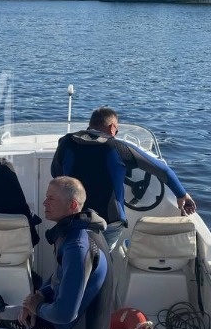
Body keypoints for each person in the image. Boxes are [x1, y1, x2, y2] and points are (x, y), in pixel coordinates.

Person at [51, 107, 197, 251]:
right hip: (109, 222)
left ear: (90, 125)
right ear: (112, 127)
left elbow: (56, 174)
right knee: (100, 261)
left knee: (72, 256)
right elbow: (163, 170)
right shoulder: (119, 148)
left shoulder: (66, 143)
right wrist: (182, 195)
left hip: (72, 218)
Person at [0, 177, 113, 329]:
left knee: (0, 320)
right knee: (18, 309)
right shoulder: (81, 227)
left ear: (72, 205)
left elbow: (64, 314)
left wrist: (37, 307)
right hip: (89, 324)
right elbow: (61, 275)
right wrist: (41, 295)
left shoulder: (76, 246)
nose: (44, 203)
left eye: (51, 199)